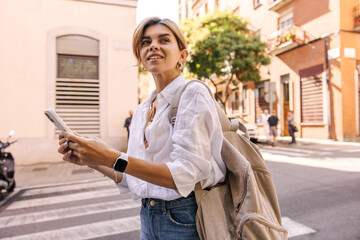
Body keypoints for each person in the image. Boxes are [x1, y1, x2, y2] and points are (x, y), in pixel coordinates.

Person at [57, 17, 226, 240]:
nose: (153, 45)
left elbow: (184, 175)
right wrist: (94, 160)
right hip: (148, 217)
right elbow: (132, 176)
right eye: (145, 43)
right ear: (141, 58)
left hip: (185, 219)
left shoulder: (192, 93)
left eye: (164, 40)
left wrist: (110, 155)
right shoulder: (142, 109)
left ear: (182, 56)